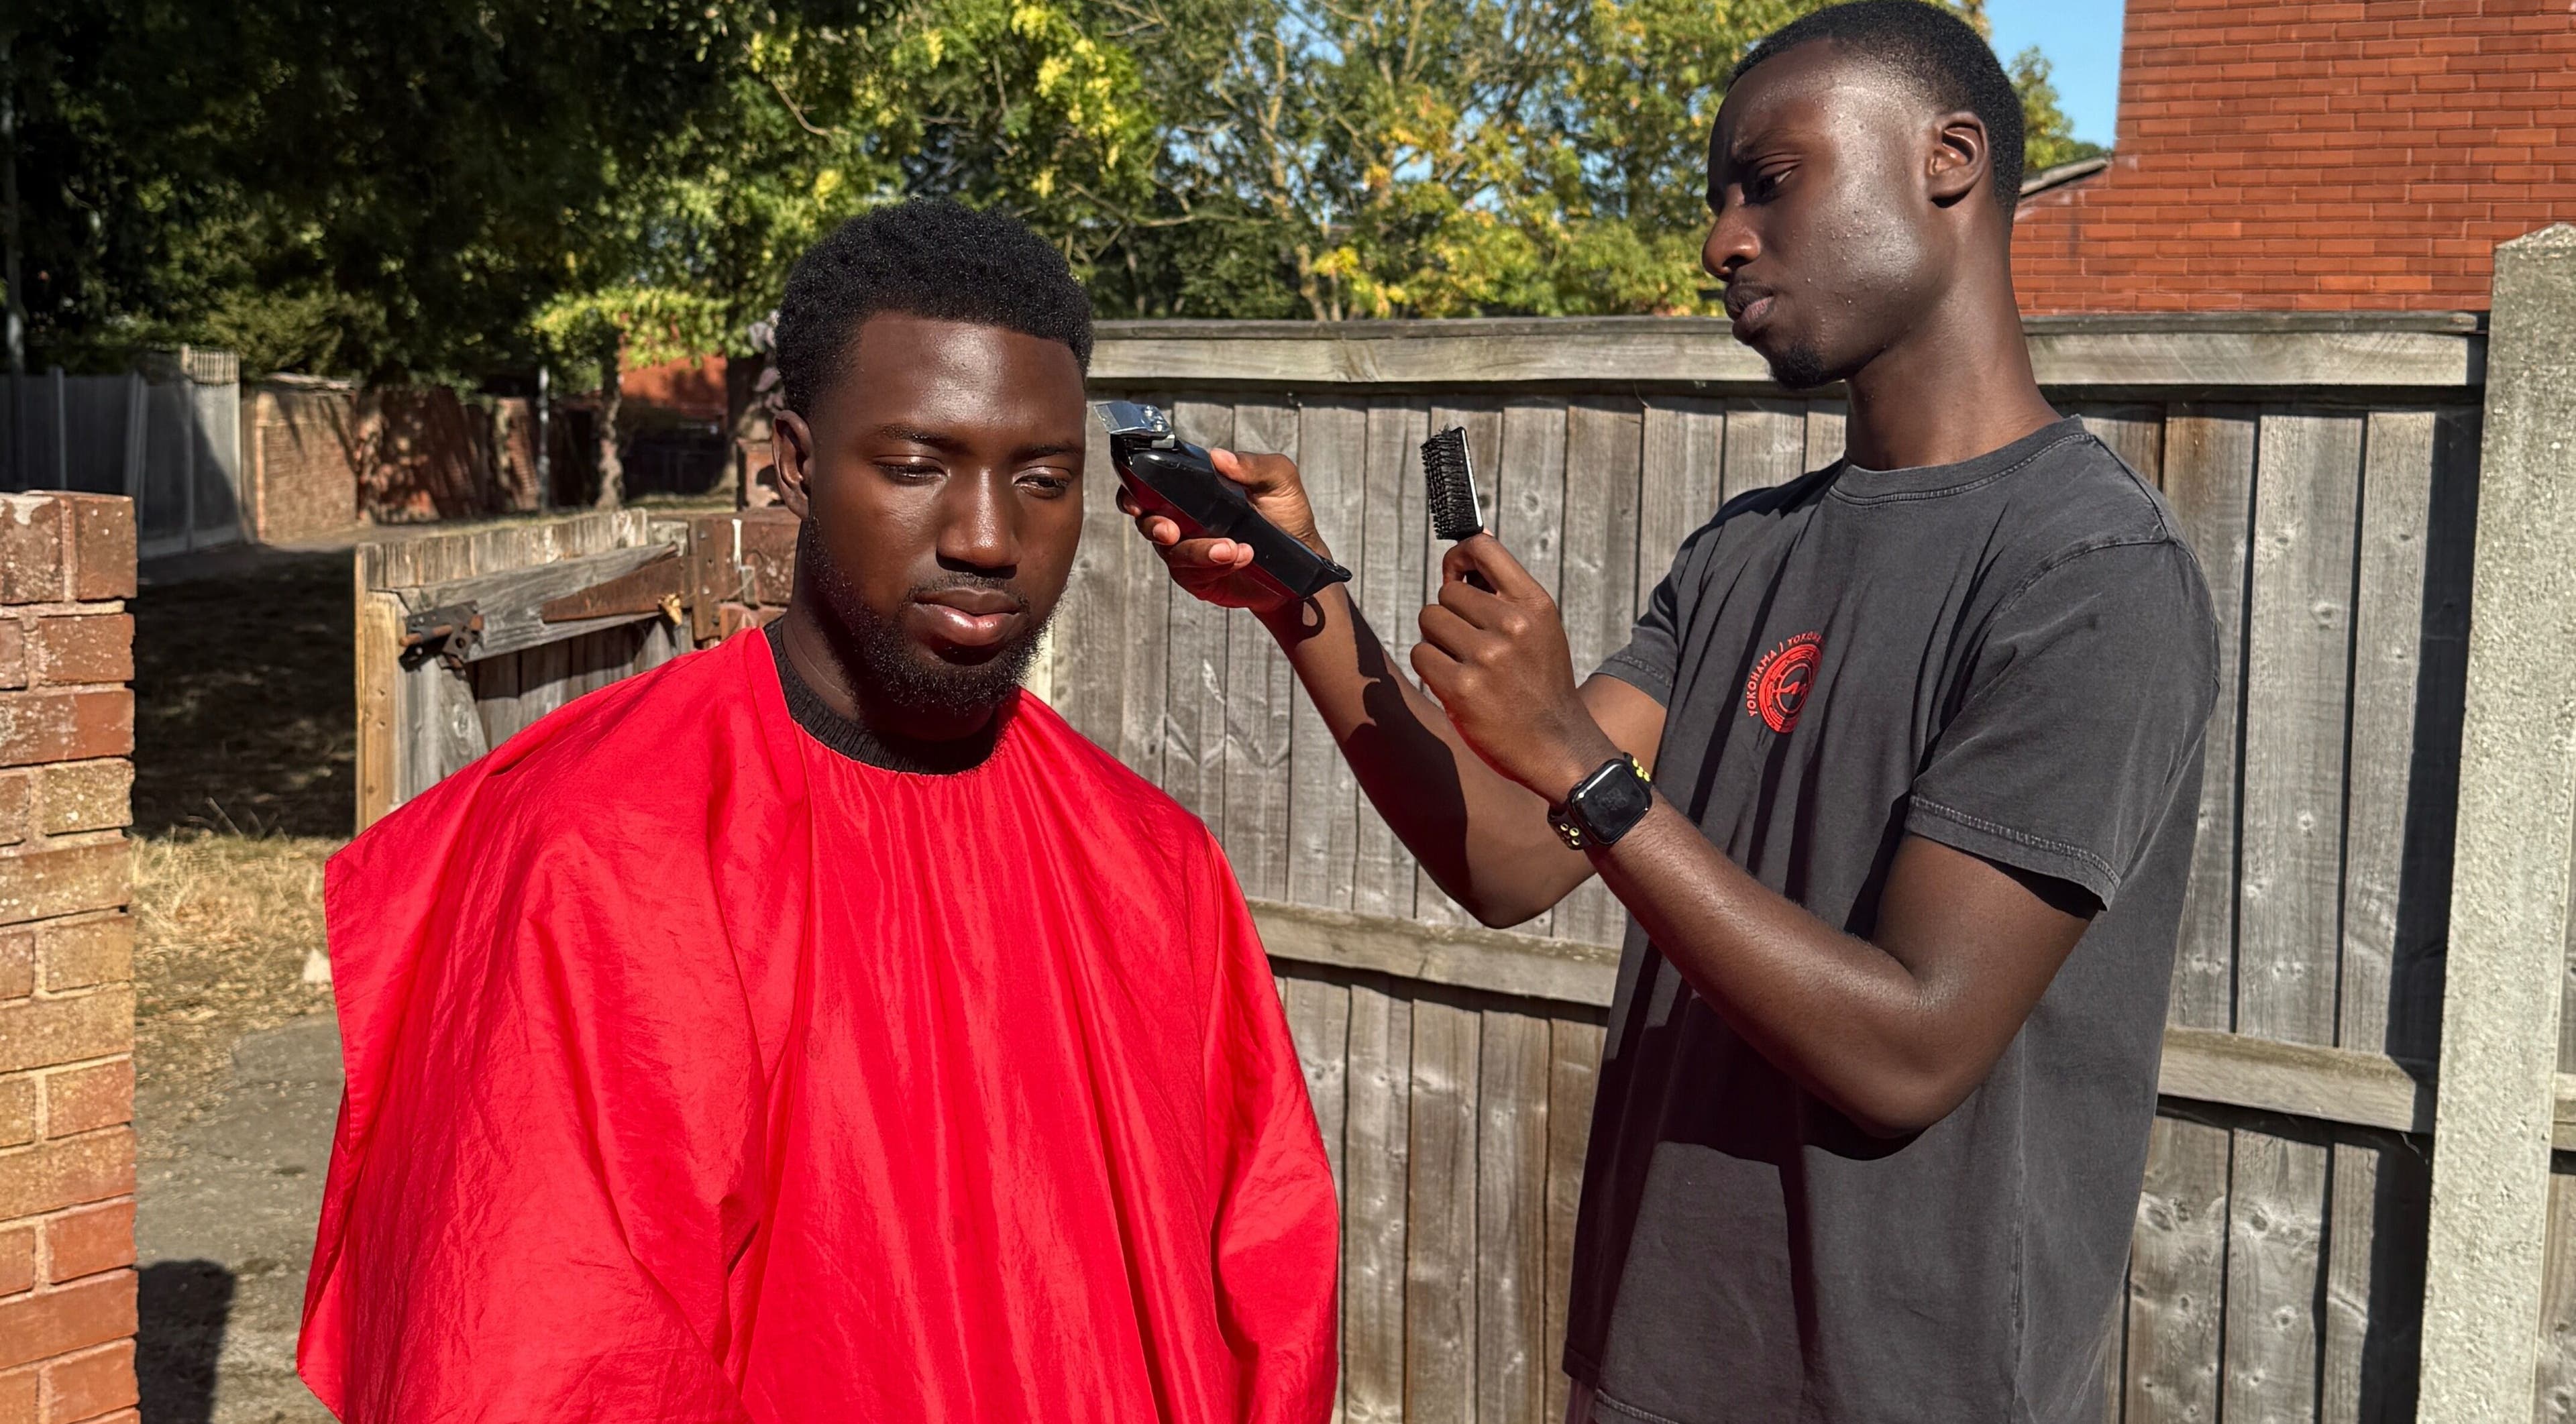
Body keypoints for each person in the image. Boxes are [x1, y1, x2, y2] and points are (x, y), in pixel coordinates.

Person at [1127, 3, 2219, 1419]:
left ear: (1949, 159)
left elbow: (1909, 1047)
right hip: (1649, 1370)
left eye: (1770, 182)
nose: (1721, 242)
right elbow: (1511, 857)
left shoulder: (2089, 574)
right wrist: (1298, 597)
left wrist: (1585, 766)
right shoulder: (1744, 553)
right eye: (1717, 198)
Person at [299, 201, 1339, 1423]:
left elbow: (1266, 1291)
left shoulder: (1154, 866)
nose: (989, 538)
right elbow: (536, 1356)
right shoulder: (601, 851)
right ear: (793, 458)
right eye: (915, 467)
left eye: (1044, 479)